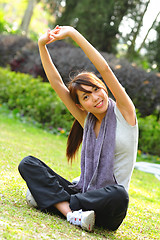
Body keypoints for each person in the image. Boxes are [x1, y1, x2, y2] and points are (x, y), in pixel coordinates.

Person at [18, 26, 138, 232]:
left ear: (104, 87)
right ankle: (72, 214)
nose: (95, 98)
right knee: (28, 163)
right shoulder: (86, 119)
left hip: (108, 206)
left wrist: (73, 33)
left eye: (96, 90)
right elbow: (56, 83)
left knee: (120, 194)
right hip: (82, 193)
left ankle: (54, 201)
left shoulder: (125, 113)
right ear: (81, 106)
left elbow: (105, 69)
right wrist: (41, 45)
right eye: (85, 97)